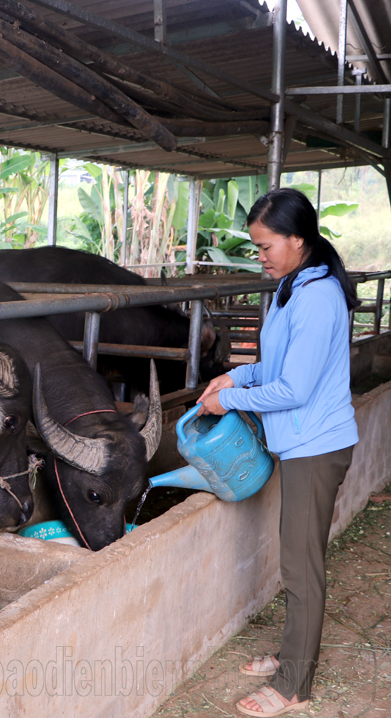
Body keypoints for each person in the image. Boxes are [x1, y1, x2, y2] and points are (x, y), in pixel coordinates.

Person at [196, 188, 360, 717]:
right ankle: (294, 655)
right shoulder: (295, 286)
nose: (260, 257)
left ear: (298, 240)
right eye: (256, 248)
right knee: (297, 559)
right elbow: (278, 365)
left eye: (265, 247)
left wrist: (229, 401)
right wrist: (235, 373)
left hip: (317, 446)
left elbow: (295, 390)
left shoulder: (316, 297)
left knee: (300, 564)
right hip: (302, 443)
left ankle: (294, 685)